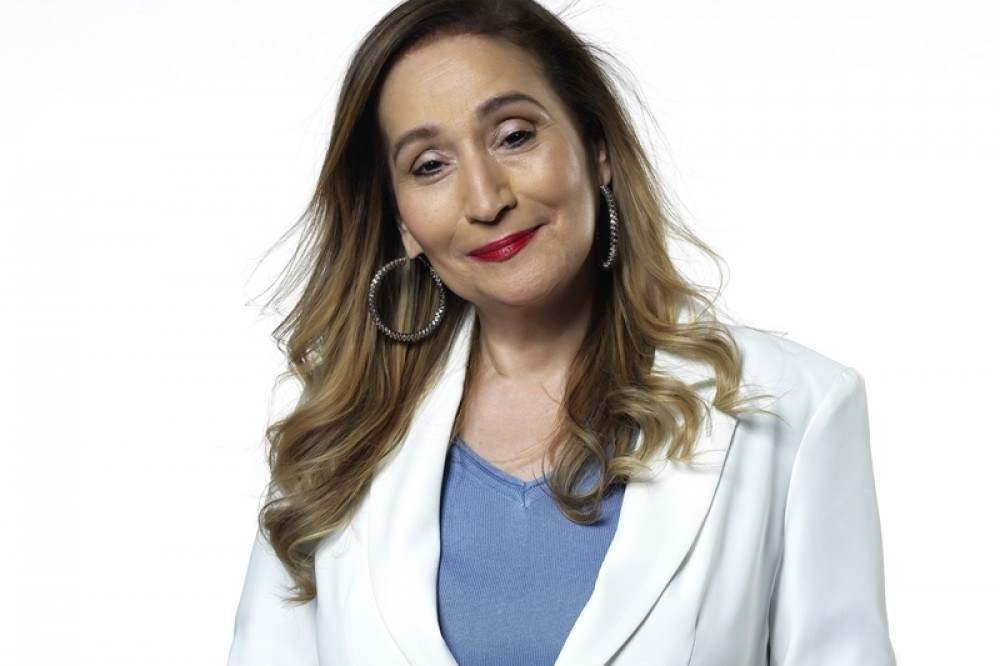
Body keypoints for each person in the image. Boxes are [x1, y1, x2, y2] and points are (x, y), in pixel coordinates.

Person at [226, 1, 896, 664]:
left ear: (595, 149)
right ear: (403, 220)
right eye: (429, 165)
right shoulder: (336, 441)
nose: (486, 199)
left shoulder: (794, 407)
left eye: (515, 136)